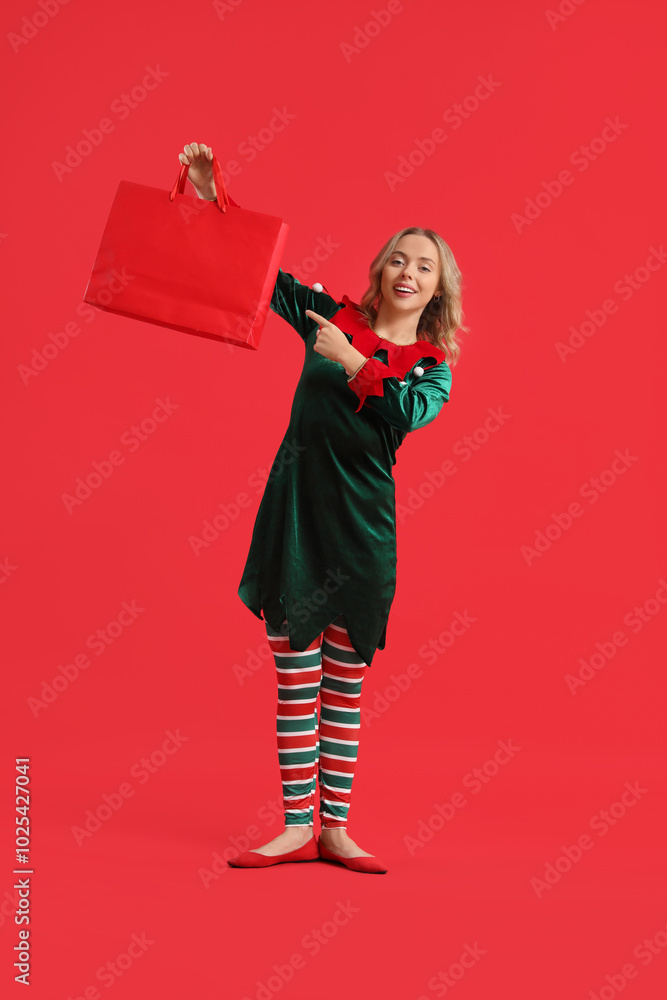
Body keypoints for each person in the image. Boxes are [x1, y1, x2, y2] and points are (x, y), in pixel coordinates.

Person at [178, 141, 468, 874]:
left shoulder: (431, 371)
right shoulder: (327, 313)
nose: (408, 272)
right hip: (298, 518)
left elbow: (402, 415)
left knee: (343, 686)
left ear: (438, 291)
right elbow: (259, 276)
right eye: (399, 258)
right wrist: (216, 197)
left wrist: (348, 359)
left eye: (424, 266)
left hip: (364, 531)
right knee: (293, 676)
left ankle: (334, 829)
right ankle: (292, 826)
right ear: (380, 269)